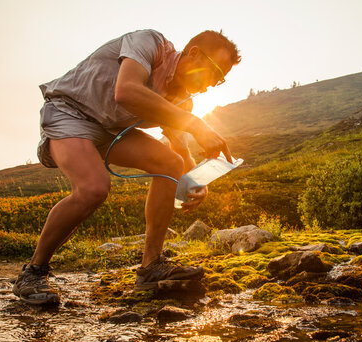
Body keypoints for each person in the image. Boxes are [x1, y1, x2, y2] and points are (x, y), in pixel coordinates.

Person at [12, 29, 241, 304]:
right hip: (69, 111)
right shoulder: (150, 43)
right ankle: (34, 271)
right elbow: (126, 92)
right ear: (194, 54)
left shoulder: (181, 100)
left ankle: (151, 266)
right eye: (214, 74)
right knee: (94, 188)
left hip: (109, 131)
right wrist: (196, 125)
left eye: (220, 81)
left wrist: (194, 183)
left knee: (170, 162)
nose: (211, 85)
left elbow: (179, 151)